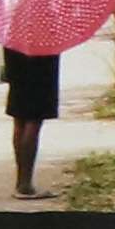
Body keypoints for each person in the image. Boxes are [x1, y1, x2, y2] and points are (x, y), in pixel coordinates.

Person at [5, 37, 69, 197]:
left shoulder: (12, 23)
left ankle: (21, 181)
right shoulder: (45, 24)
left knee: (19, 117)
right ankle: (25, 184)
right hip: (42, 53)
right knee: (34, 118)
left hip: (14, 50)